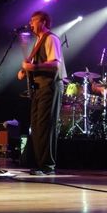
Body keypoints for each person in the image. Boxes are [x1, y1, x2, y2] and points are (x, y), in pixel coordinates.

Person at [17, 11, 66, 175]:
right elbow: (36, 64)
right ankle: (40, 163)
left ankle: (47, 166)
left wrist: (34, 68)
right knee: (37, 126)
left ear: (43, 22)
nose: (30, 23)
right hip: (40, 88)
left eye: (33, 20)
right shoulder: (38, 41)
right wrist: (25, 71)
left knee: (45, 126)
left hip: (50, 86)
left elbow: (54, 64)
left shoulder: (51, 38)